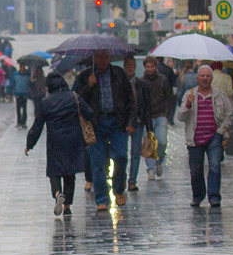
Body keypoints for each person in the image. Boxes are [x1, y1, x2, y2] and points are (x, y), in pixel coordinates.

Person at [73, 49, 136, 211]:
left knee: (121, 156)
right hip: (96, 123)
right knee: (98, 162)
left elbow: (130, 99)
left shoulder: (118, 74)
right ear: (94, 58)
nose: (104, 60)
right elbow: (76, 99)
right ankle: (101, 198)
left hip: (117, 121)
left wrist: (131, 121)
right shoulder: (85, 76)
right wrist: (89, 85)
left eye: (107, 57)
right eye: (100, 57)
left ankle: (118, 189)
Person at [26, 71, 94, 216]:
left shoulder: (45, 103)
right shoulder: (74, 97)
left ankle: (58, 194)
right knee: (70, 173)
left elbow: (37, 126)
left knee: (54, 171)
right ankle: (67, 206)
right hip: (73, 140)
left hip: (55, 141)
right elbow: (89, 113)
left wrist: (29, 144)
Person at [178, 64, 233, 207]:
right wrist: (188, 105)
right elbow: (180, 117)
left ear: (212, 78)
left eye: (208, 76)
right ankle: (198, 196)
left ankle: (214, 196)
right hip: (195, 138)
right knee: (196, 170)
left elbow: (229, 115)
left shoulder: (219, 95)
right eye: (202, 76)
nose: (205, 78)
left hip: (214, 137)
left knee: (215, 166)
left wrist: (220, 131)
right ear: (197, 78)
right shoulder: (189, 94)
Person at [122, 54, 153, 192]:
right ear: (124, 66)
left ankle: (132, 181)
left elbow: (146, 107)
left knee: (135, 152)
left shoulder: (141, 85)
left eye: (132, 66)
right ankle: (121, 179)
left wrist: (149, 127)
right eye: (128, 65)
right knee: (121, 153)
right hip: (122, 123)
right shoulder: (119, 83)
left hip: (138, 122)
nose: (130, 68)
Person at [140, 56, 174, 180]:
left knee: (162, 141)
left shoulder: (163, 80)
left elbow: (169, 96)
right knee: (149, 144)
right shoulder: (142, 81)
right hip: (147, 117)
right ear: (145, 67)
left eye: (152, 66)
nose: (150, 69)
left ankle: (158, 161)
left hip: (160, 115)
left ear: (156, 66)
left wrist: (166, 113)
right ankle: (150, 169)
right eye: (148, 67)